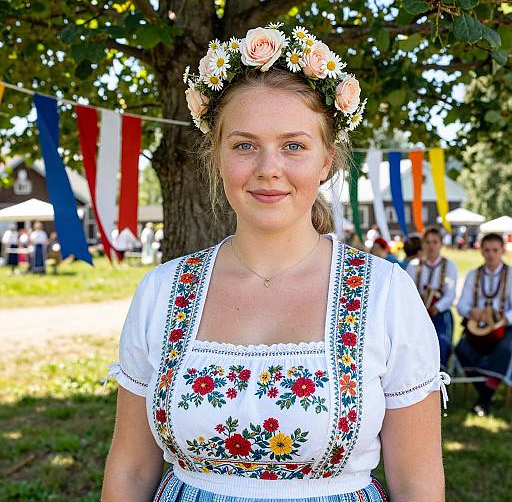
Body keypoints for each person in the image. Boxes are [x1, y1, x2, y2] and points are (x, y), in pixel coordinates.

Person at [103, 25, 447, 502]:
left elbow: (417, 484)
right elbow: (130, 470)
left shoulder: (385, 293)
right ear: (217, 157)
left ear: (327, 159)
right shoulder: (164, 290)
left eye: (294, 145)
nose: (268, 168)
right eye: (244, 145)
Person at [455, 233, 512, 416]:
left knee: (504, 349)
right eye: (487, 250)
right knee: (461, 349)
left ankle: (484, 398)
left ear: (502, 250)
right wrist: (472, 312)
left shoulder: (510, 274)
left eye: (495, 250)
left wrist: (504, 319)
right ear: (481, 251)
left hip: (502, 327)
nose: (491, 254)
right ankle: (486, 390)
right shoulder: (474, 274)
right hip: (477, 327)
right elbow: (462, 304)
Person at [406, 228, 457, 371]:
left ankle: (439, 376)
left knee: (441, 342)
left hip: (439, 314)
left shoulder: (449, 266)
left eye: (435, 242)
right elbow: (407, 292)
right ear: (422, 244)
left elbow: (450, 295)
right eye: (427, 242)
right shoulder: (414, 265)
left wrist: (437, 307)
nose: (431, 246)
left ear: (441, 244)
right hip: (417, 314)